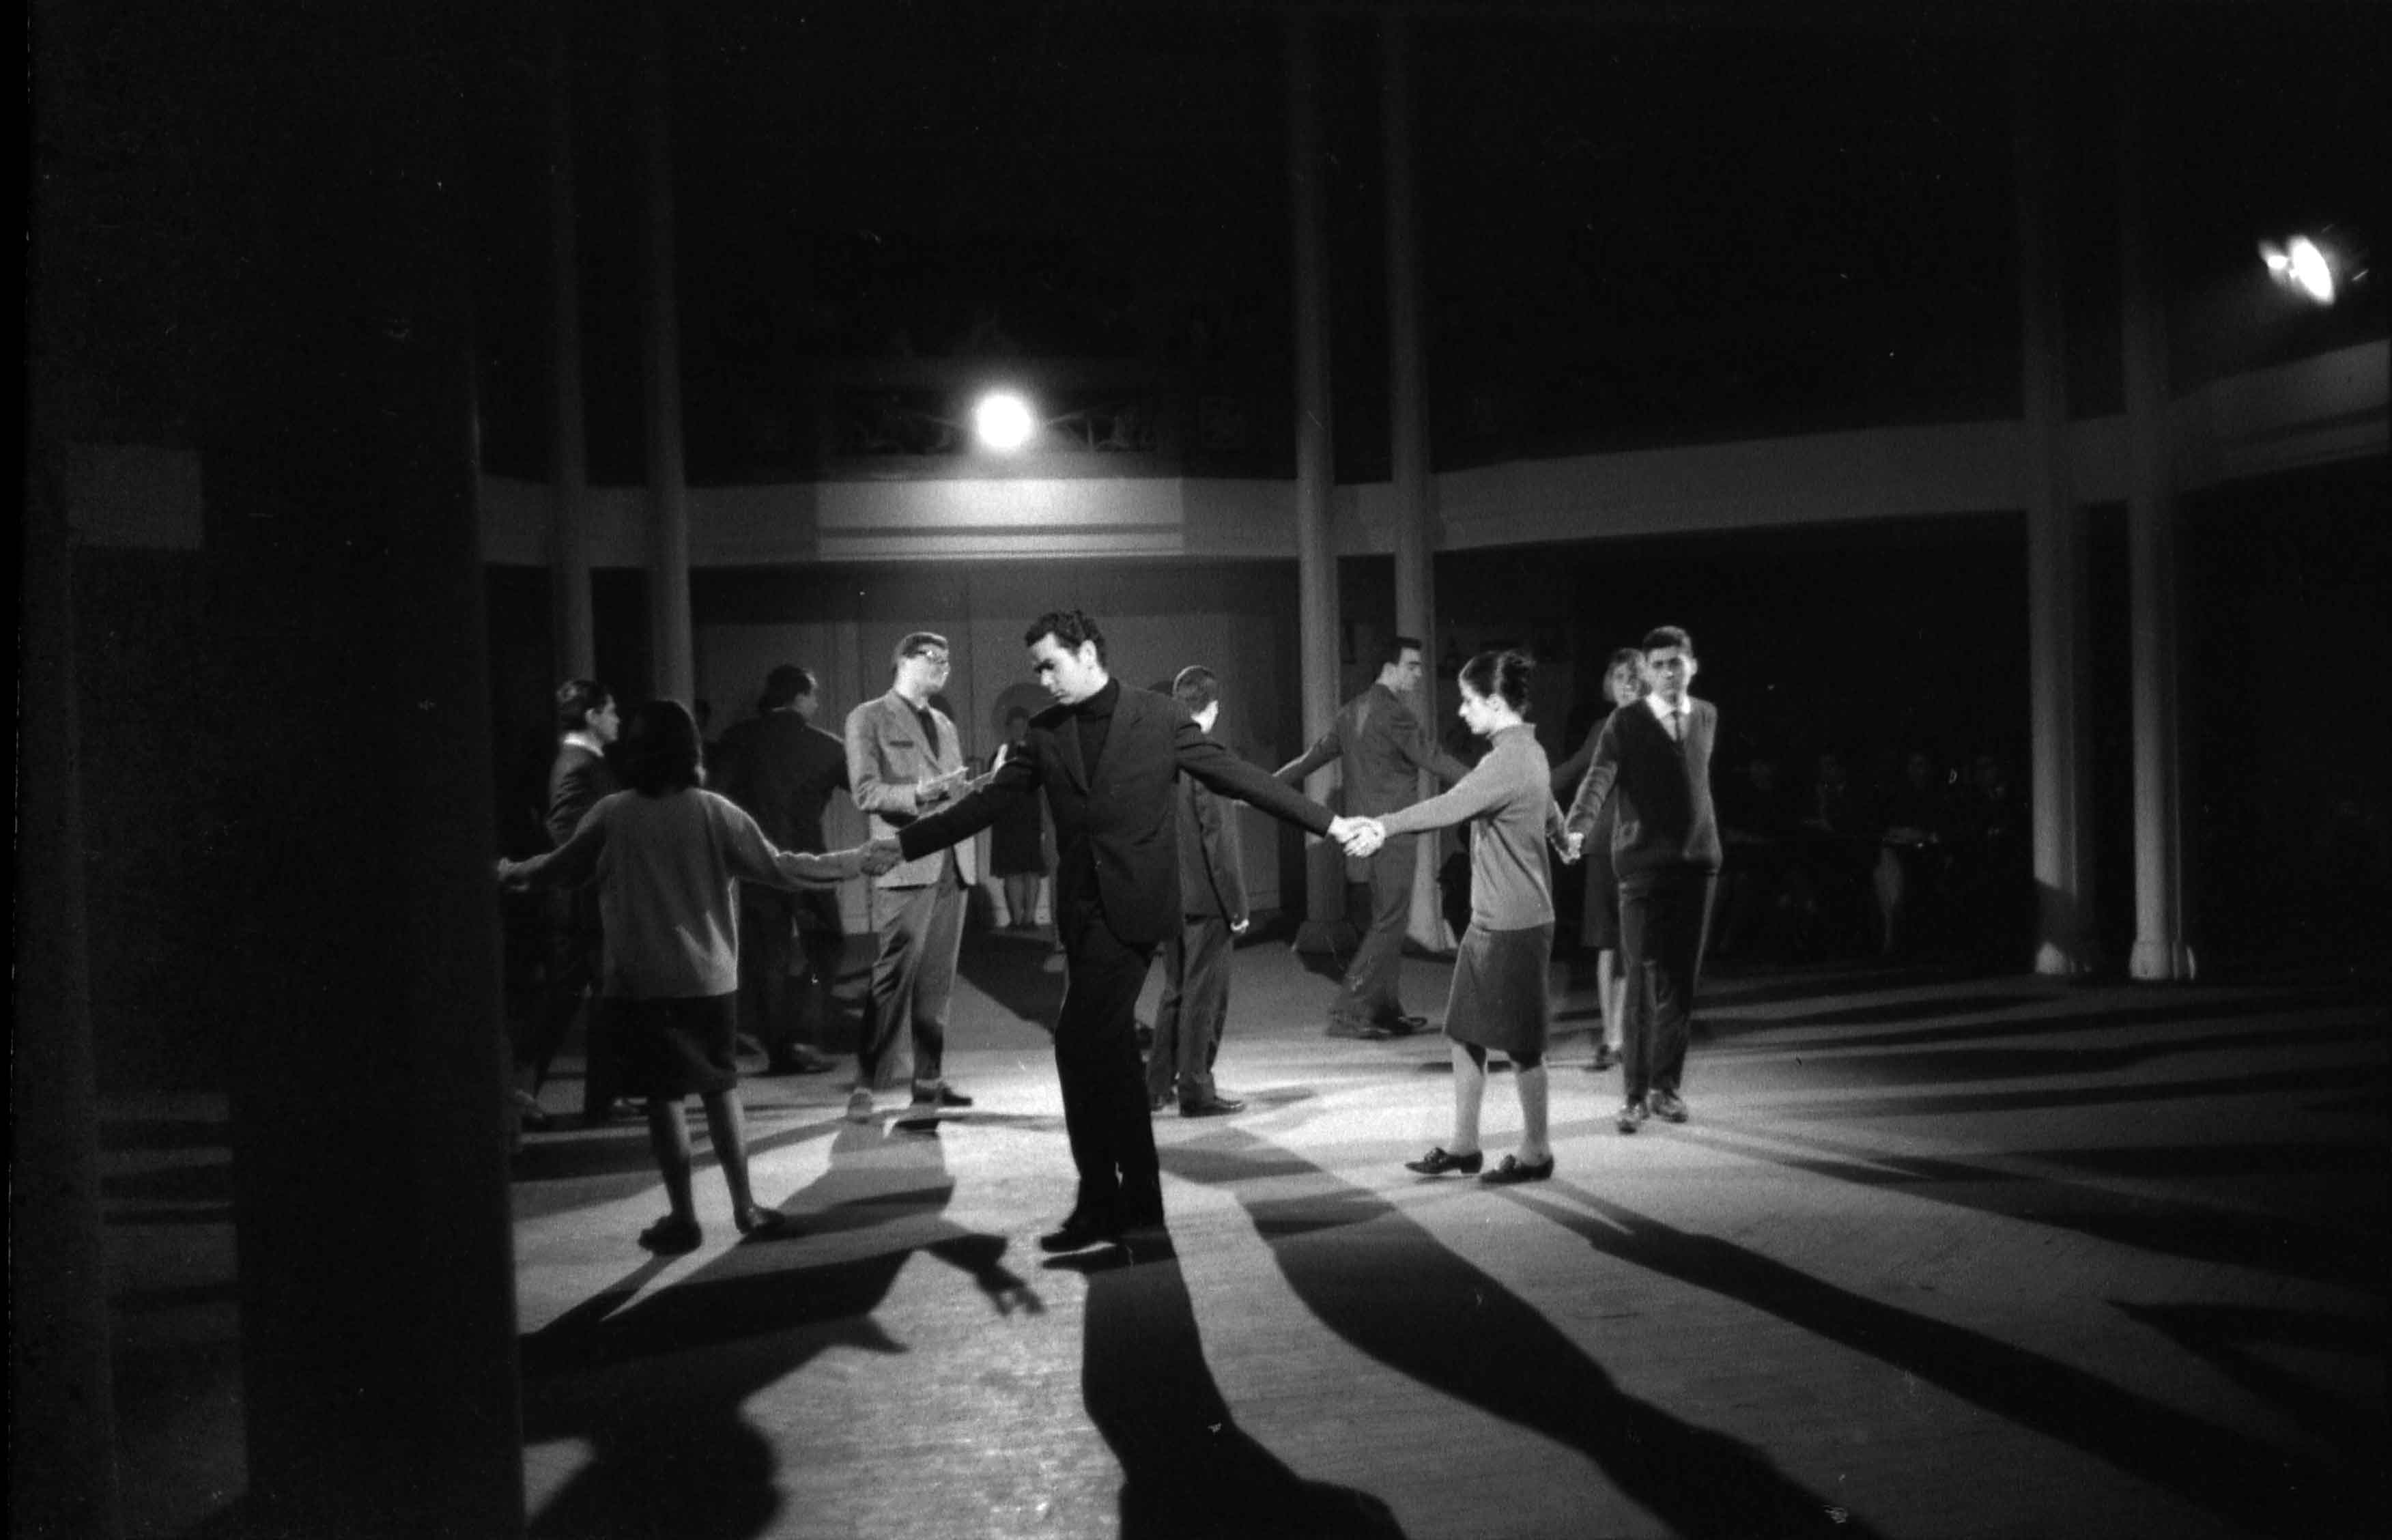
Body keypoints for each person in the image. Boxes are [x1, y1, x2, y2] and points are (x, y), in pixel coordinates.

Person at [872, 610, 1365, 1253]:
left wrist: (1329, 825)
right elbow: (989, 802)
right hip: (1080, 913)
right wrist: (904, 844)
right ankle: (1130, 1206)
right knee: (1102, 1056)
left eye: (1050, 664)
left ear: (1088, 653)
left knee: (1079, 1043)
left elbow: (1237, 775)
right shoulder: (1047, 732)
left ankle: (1106, 1201)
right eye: (1036, 669)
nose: (1042, 680)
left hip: (1135, 913)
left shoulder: (1158, 718)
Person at [498, 700, 891, 1253]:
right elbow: (782, 867)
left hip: (640, 981)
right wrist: (857, 859)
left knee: (664, 1100)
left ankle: (683, 1217)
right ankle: (746, 1206)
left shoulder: (612, 813)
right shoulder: (712, 811)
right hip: (707, 979)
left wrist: (507, 873)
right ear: (690, 751)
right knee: (720, 1088)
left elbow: (558, 869)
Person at [1352, 651, 1572, 1184]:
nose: (1464, 710)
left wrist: (1382, 825)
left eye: (1470, 702)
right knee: (1464, 1034)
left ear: (1496, 703)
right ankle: (1464, 1146)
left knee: (1522, 1046)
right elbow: (1547, 808)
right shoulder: (1526, 751)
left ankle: (1537, 1152)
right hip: (1490, 921)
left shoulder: (1508, 761)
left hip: (1515, 925)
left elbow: (1450, 805)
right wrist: (1564, 840)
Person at [1562, 626, 1721, 1135]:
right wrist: (1578, 826)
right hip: (1642, 867)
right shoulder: (1625, 722)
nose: (1669, 673)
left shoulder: (1707, 716)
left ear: (1692, 664)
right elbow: (1598, 778)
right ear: (1647, 672)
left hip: (1697, 864)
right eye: (1659, 665)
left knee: (1682, 984)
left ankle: (1665, 1088)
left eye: (1677, 662)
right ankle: (1633, 1095)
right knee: (1641, 982)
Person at [1275, 635, 1472, 1040]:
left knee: (1388, 921)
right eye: (1413, 666)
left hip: (1364, 832)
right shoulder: (1394, 715)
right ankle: (1350, 1013)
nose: (1419, 674)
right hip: (1392, 832)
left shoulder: (1352, 712)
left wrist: (1266, 785)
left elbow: (1311, 758)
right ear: (1391, 667)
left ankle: (1385, 1009)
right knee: (1389, 922)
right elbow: (1433, 758)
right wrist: (1483, 785)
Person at [844, 633, 980, 1127]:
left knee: (937, 983)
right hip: (905, 865)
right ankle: (866, 1083)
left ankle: (928, 1081)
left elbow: (957, 791)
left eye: (948, 659)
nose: (944, 666)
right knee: (892, 980)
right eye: (933, 658)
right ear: (902, 661)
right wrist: (919, 794)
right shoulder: (868, 717)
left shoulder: (943, 722)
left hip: (952, 864)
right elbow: (864, 792)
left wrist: (981, 787)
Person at [722, 664, 849, 1076]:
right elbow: (867, 790)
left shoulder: (739, 740)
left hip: (759, 864)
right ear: (798, 697)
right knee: (825, 945)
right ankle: (804, 1034)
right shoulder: (827, 746)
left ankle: (778, 1047)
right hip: (808, 864)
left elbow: (717, 799)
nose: (818, 702)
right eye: (814, 695)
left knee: (766, 958)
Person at [513, 679, 624, 1132]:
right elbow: (567, 833)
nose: (618, 719)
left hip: (582, 901)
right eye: (612, 711)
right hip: (582, 904)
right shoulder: (579, 765)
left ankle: (596, 1096)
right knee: (571, 999)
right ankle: (522, 1094)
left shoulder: (579, 762)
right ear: (594, 716)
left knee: (589, 998)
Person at [1144, 666, 1251, 1119]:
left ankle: (1155, 1088)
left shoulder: (1157, 756)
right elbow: (1219, 845)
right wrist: (1239, 906)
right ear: (1213, 708)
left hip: (1170, 897)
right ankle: (1197, 1091)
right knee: (1203, 998)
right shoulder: (1208, 757)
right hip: (1207, 901)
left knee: (1174, 992)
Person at [1547, 646, 1646, 1073]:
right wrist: (1520, 788)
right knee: (1609, 942)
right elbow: (1568, 773)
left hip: (1647, 847)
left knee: (1640, 943)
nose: (1626, 683)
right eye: (1619, 676)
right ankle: (1612, 1038)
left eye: (1633, 677)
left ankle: (1636, 1034)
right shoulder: (1602, 728)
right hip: (1606, 846)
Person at [988, 707, 1049, 929]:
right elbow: (992, 786)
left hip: (1032, 818)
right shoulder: (999, 755)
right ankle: (1016, 919)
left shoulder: (1038, 753)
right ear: (1007, 729)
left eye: (1022, 726)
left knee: (1032, 869)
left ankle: (1030, 917)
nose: (1018, 730)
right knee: (1012, 870)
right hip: (1006, 820)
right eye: (1014, 726)